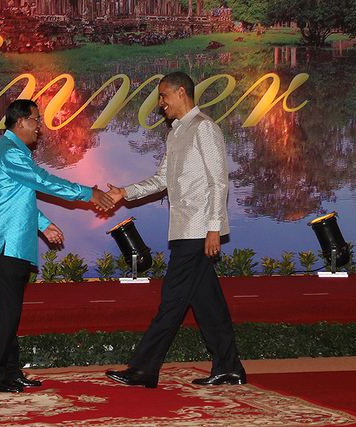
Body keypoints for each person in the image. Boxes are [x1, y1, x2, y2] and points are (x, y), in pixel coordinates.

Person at [105, 72, 246, 388]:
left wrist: (213, 228)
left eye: (163, 97)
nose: (161, 104)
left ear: (181, 92)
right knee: (208, 303)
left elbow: (218, 181)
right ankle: (229, 368)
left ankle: (144, 369)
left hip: (198, 230)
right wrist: (124, 192)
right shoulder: (175, 134)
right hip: (184, 229)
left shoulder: (204, 129)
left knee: (171, 300)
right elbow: (161, 180)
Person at [0, 99, 115, 393]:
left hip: (7, 242)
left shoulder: (13, 152)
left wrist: (43, 225)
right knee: (4, 314)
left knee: (7, 313)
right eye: (37, 120)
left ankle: (9, 372)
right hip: (3, 244)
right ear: (21, 122)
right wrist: (88, 193)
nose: (40, 127)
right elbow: (42, 181)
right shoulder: (12, 152)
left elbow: (17, 196)